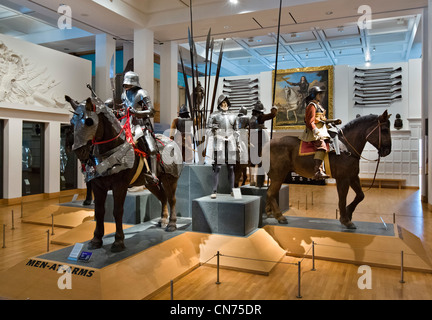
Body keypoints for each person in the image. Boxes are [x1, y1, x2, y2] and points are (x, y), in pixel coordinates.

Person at [120, 71, 159, 184]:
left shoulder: (142, 93)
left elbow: (152, 111)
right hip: (126, 124)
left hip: (141, 125)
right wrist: (119, 113)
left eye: (129, 83)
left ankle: (154, 174)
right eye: (125, 84)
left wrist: (137, 112)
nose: (126, 86)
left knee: (152, 149)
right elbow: (124, 110)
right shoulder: (124, 94)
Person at [206, 94, 238, 199]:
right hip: (219, 141)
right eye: (222, 103)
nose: (224, 104)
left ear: (228, 104)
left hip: (231, 141)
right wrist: (214, 131)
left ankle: (232, 190)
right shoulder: (214, 115)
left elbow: (237, 130)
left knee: (231, 167)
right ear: (219, 104)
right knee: (217, 167)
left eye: (225, 103)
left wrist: (237, 142)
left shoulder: (233, 115)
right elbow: (208, 129)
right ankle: (214, 190)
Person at [299, 86, 330, 180]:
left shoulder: (318, 105)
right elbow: (310, 121)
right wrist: (315, 130)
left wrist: (333, 121)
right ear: (313, 95)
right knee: (321, 146)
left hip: (322, 130)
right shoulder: (312, 105)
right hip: (313, 132)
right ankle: (318, 171)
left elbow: (321, 119)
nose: (320, 95)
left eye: (320, 93)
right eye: (318, 94)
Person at [249, 100, 277, 187]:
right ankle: (260, 183)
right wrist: (274, 108)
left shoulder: (251, 119)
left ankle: (253, 181)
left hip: (254, 142)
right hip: (260, 141)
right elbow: (273, 115)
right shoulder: (260, 118)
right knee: (261, 163)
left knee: (254, 162)